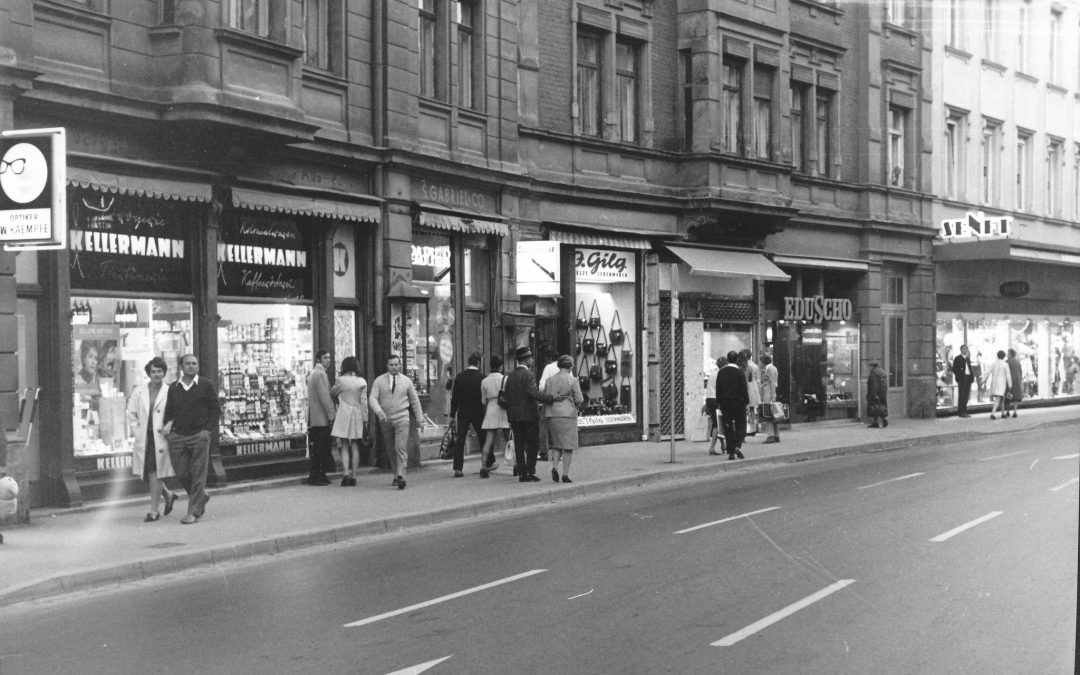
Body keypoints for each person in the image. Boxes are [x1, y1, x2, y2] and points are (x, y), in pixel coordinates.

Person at [162, 354, 220, 525]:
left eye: (194, 363)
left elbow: (215, 410)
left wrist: (207, 431)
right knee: (181, 472)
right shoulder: (174, 387)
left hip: (199, 436)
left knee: (198, 474)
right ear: (181, 366)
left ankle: (193, 512)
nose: (191, 366)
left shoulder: (205, 385)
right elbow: (169, 411)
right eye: (187, 364)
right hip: (178, 436)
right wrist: (169, 427)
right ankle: (201, 496)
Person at [127, 357, 178, 521]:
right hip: (145, 437)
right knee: (148, 473)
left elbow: (176, 413)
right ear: (148, 373)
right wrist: (136, 431)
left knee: (154, 473)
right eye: (153, 371)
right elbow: (132, 413)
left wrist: (170, 424)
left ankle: (153, 510)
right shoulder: (139, 391)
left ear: (164, 373)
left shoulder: (170, 391)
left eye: (159, 371)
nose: (156, 374)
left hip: (161, 438)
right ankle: (168, 495)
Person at [368, 355, 425, 490]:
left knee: (400, 447)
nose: (394, 367)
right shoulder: (379, 381)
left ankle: (401, 475)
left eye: (396, 364)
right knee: (390, 448)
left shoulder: (406, 381)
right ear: (387, 366)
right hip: (385, 419)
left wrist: (420, 419)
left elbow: (415, 401)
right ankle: (395, 474)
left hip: (402, 417)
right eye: (391, 365)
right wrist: (379, 412)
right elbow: (372, 398)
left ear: (400, 366)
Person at [504, 346, 559, 483]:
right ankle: (530, 471)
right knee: (532, 444)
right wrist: (550, 398)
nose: (532, 360)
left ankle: (522, 473)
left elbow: (507, 396)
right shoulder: (528, 375)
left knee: (519, 445)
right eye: (530, 358)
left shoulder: (510, 376)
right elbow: (534, 393)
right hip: (529, 415)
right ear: (525, 360)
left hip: (515, 416)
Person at [542, 355, 584, 483]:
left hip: (553, 415)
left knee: (556, 445)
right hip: (568, 415)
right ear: (570, 366)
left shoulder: (549, 380)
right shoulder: (573, 381)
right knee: (568, 446)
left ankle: (555, 467)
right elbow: (580, 399)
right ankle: (565, 474)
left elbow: (546, 396)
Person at [331, 356, 368, 486]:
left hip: (344, 414)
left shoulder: (340, 380)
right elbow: (364, 401)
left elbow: (333, 392)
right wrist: (366, 419)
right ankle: (354, 476)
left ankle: (345, 474)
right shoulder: (362, 381)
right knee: (356, 445)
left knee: (345, 445)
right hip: (357, 413)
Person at [449, 352, 486, 478]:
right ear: (478, 363)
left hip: (463, 412)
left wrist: (452, 413)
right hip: (478, 411)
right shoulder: (482, 377)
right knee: (483, 437)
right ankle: (486, 464)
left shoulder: (460, 377)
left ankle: (458, 468)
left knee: (460, 439)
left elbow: (454, 397)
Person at [306, 350, 336, 486]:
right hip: (320, 418)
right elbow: (325, 397)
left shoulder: (314, 373)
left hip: (316, 417)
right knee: (321, 448)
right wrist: (331, 415)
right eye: (325, 358)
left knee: (318, 449)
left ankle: (319, 475)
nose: (328, 360)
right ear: (318, 360)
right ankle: (318, 475)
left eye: (329, 357)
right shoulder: (320, 374)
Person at [715, 350, 749, 460]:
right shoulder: (740, 373)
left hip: (726, 404)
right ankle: (737, 445)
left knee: (727, 427)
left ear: (728, 359)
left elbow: (718, 389)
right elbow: (744, 389)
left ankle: (730, 451)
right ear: (736, 359)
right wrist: (746, 403)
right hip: (738, 404)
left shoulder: (721, 372)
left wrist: (719, 402)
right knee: (741, 425)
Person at [479, 354, 508, 478]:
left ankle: (484, 466)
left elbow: (483, 402)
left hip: (491, 409)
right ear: (500, 366)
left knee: (488, 441)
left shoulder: (484, 381)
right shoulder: (505, 379)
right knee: (509, 440)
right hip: (502, 409)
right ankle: (516, 464)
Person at [536, 343, 560, 463]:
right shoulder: (565, 368)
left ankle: (544, 452)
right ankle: (559, 452)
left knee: (544, 425)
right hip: (562, 401)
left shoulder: (548, 368)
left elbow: (541, 387)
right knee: (558, 426)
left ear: (549, 358)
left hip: (550, 400)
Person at [759, 354, 781, 444]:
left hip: (768, 395)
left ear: (763, 362)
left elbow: (772, 383)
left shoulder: (769, 369)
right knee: (774, 416)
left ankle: (770, 436)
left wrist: (773, 397)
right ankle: (776, 435)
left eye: (761, 361)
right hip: (770, 394)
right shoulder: (773, 368)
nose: (760, 363)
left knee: (768, 417)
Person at [705, 356, 723, 456]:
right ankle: (712, 448)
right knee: (717, 425)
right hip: (716, 399)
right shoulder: (722, 374)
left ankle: (723, 444)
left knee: (718, 423)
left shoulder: (713, 374)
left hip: (709, 399)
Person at [987, 349, 1012, 420]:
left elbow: (987, 372)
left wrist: (983, 380)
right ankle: (992, 414)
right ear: (1004, 357)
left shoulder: (993, 363)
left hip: (995, 383)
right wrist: (1010, 385)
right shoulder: (1005, 364)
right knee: (999, 398)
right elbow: (1008, 376)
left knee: (1002, 399)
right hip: (1002, 384)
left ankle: (1003, 414)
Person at [952, 344, 976, 418]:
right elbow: (954, 369)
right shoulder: (957, 358)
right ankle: (961, 412)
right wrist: (959, 377)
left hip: (968, 378)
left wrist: (972, 377)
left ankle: (964, 411)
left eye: (966, 349)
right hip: (962, 378)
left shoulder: (967, 358)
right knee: (962, 395)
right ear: (961, 350)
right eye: (964, 349)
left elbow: (970, 368)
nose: (965, 350)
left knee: (966, 396)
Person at [742, 350, 762, 438]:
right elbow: (758, 380)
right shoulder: (755, 366)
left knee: (746, 409)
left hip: (747, 388)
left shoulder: (746, 366)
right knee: (752, 410)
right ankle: (753, 428)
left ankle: (749, 428)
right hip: (754, 388)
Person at [866, 360, 889, 428]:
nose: (869, 368)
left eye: (869, 366)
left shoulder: (874, 373)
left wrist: (874, 394)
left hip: (876, 393)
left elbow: (874, 385)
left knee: (874, 408)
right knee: (881, 406)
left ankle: (875, 423)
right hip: (882, 392)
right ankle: (883, 420)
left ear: (872, 366)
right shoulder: (882, 371)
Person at [1005, 349, 1023, 418]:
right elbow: (1020, 372)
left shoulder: (1007, 362)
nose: (1007, 354)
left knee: (1008, 396)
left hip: (1009, 381)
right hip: (1017, 381)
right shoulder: (1018, 362)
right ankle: (1015, 412)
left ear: (1010, 354)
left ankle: (1007, 411)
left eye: (1008, 353)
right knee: (1016, 397)